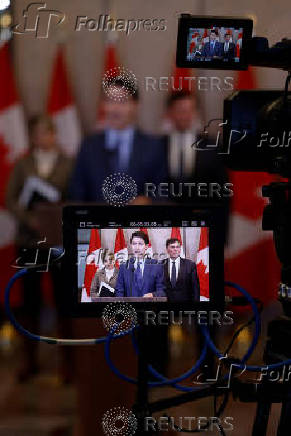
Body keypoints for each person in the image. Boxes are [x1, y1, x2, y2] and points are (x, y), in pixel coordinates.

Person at [5, 115, 73, 382]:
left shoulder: (69, 163)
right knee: (30, 302)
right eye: (37, 134)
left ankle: (67, 362)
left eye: (47, 133)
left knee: (62, 301)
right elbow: (11, 199)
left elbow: (74, 194)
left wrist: (56, 218)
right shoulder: (23, 165)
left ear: (55, 135)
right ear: (32, 137)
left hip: (58, 241)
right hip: (29, 241)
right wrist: (29, 219)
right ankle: (29, 359)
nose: (43, 138)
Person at [69, 80, 167, 202]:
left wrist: (148, 200)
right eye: (110, 101)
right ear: (103, 105)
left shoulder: (153, 147)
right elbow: (76, 192)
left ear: (135, 105)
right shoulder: (89, 146)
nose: (115, 109)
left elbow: (163, 192)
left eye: (122, 102)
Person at [115, 231, 166, 298]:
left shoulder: (157, 266)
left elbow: (162, 291)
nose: (137, 247)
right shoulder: (123, 266)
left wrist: (153, 295)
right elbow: (119, 291)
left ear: (146, 246)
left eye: (140, 244)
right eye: (134, 244)